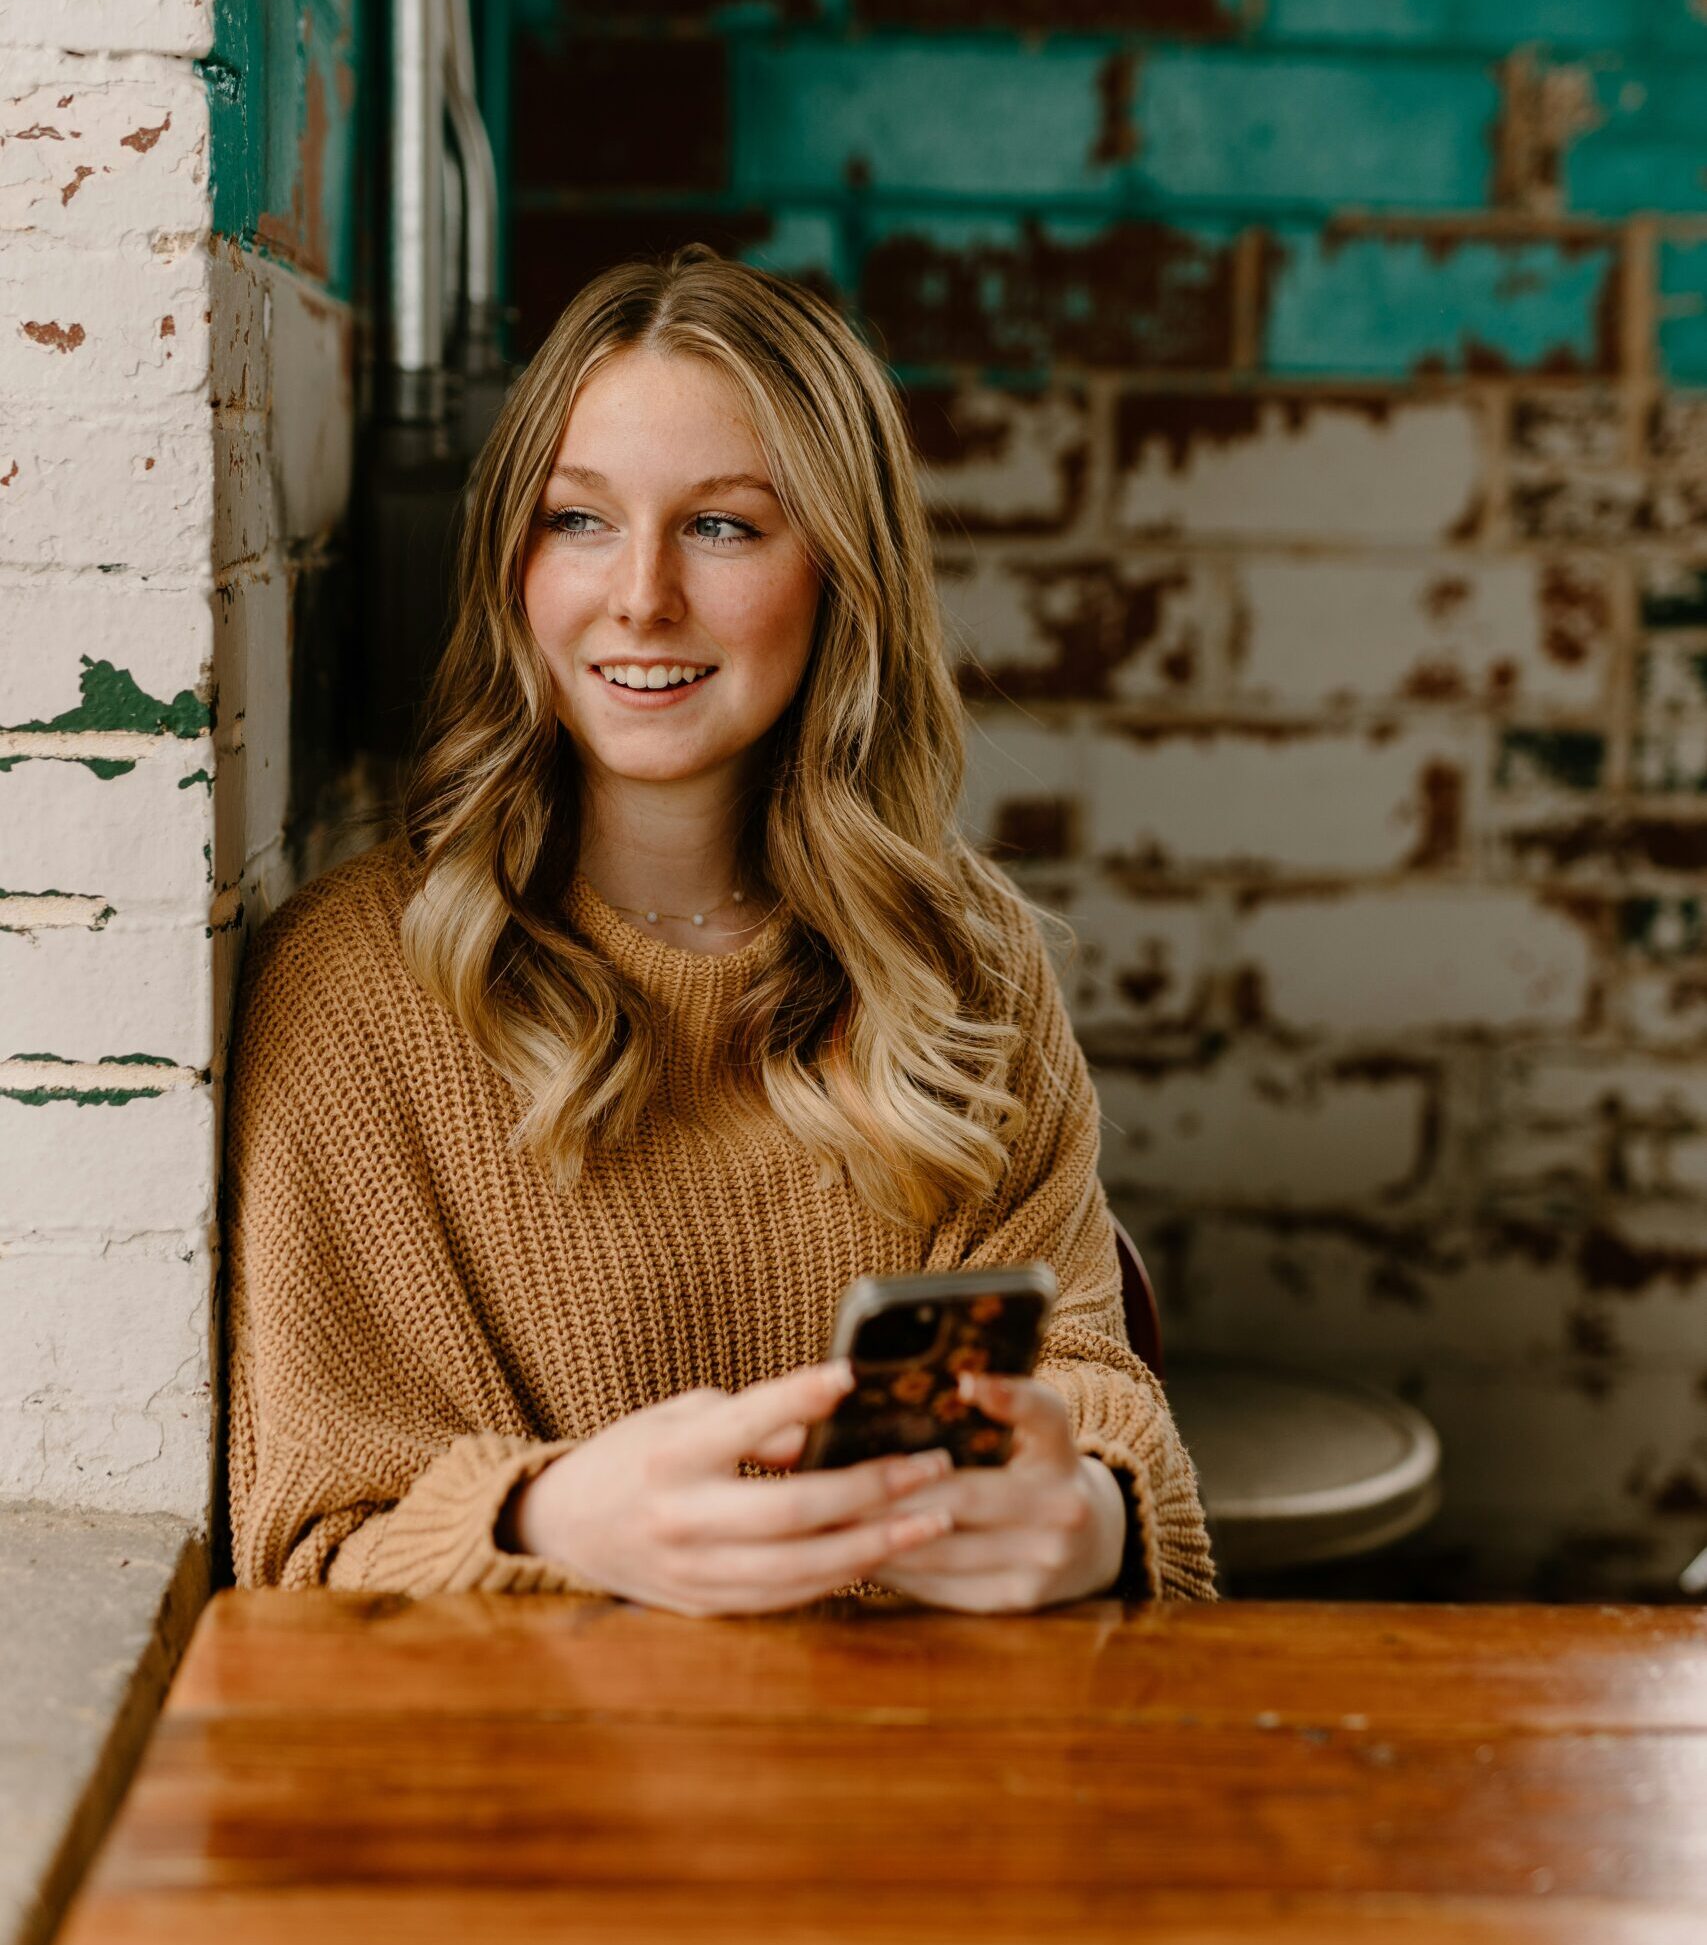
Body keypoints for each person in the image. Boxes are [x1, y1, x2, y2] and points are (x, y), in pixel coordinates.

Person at [223, 246, 1215, 1614]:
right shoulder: (347, 989)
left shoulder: (965, 959)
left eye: (725, 526)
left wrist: (1096, 1513)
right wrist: (552, 1515)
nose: (640, 595)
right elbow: (309, 1552)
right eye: (578, 520)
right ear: (511, 558)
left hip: (925, 1774)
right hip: (531, 1794)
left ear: (841, 576)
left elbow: (1097, 1389)